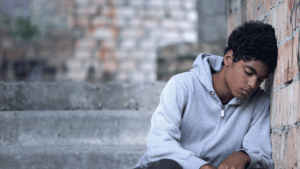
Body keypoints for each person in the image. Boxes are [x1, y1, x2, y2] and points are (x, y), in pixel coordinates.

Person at [133, 20, 278, 169]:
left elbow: (263, 156)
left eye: (261, 79)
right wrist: (200, 166)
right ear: (229, 58)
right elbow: (159, 145)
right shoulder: (182, 85)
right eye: (248, 73)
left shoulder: (258, 102)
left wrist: (244, 156)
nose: (253, 84)